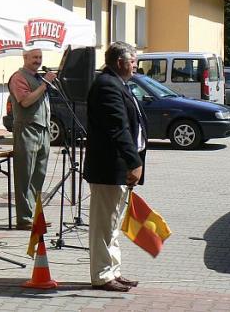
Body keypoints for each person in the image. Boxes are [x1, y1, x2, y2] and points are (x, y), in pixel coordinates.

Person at [84, 41, 147, 292]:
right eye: (132, 61)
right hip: (108, 168)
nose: (135, 66)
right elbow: (117, 128)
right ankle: (101, 275)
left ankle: (113, 271)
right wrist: (134, 161)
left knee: (113, 224)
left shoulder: (117, 84)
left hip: (117, 169)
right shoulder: (107, 86)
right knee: (103, 225)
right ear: (120, 62)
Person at [8, 49, 56, 230]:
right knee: (24, 176)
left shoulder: (38, 77)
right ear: (25, 58)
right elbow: (25, 101)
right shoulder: (18, 77)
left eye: (40, 57)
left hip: (43, 131)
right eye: (34, 57)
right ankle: (24, 219)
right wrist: (45, 85)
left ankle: (36, 216)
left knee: (39, 176)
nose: (38, 61)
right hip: (27, 130)